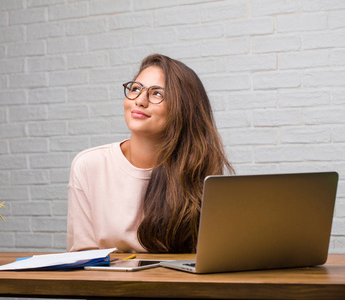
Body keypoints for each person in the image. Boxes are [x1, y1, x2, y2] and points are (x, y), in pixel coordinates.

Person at [67, 54, 233, 253]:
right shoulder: (89, 165)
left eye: (157, 94)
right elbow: (83, 255)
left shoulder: (200, 163)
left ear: (182, 108)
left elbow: (209, 251)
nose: (140, 100)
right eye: (136, 89)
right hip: (109, 281)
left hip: (177, 281)